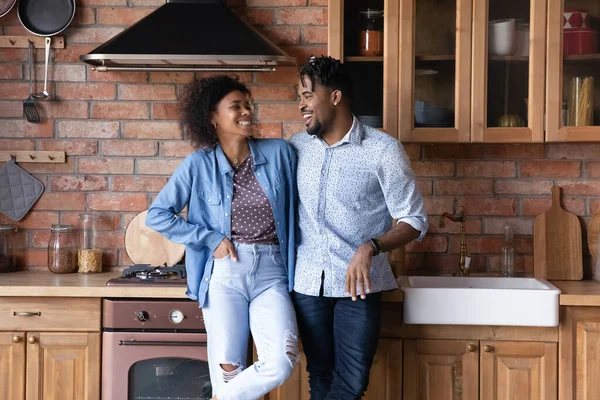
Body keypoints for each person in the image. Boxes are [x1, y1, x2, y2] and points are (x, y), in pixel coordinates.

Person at [146, 75, 299, 400]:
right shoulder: (197, 165)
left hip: (273, 274)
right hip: (225, 276)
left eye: (247, 104)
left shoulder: (280, 153)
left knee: (282, 361)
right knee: (228, 369)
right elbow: (157, 214)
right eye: (235, 106)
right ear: (212, 117)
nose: (246, 111)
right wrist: (209, 238)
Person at [289, 56, 428, 400]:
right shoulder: (295, 147)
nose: (301, 105)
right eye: (299, 97)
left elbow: (414, 220)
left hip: (359, 288)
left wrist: (371, 246)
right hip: (307, 282)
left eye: (308, 95)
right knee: (320, 375)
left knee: (351, 383)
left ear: (335, 97)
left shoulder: (383, 150)